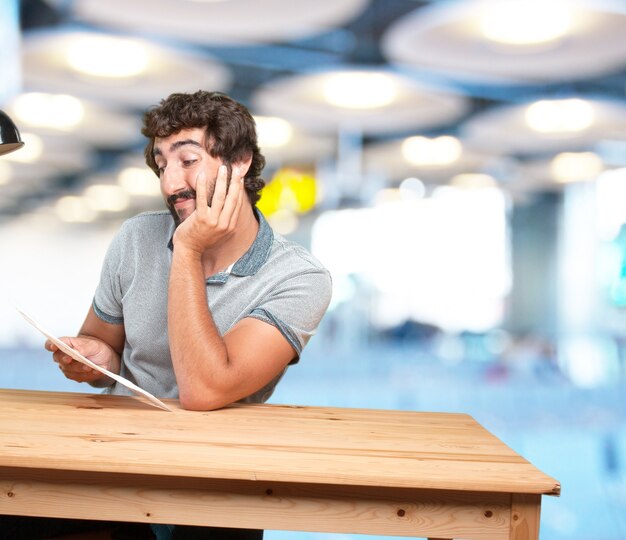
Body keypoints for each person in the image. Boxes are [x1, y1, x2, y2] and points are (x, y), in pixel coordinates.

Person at [3, 91, 332, 540]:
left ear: (238, 164)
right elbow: (104, 355)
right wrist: (96, 357)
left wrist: (188, 250)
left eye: (188, 160)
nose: (169, 183)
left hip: (220, 485)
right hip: (118, 464)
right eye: (161, 164)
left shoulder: (299, 277)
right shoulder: (136, 238)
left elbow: (204, 390)